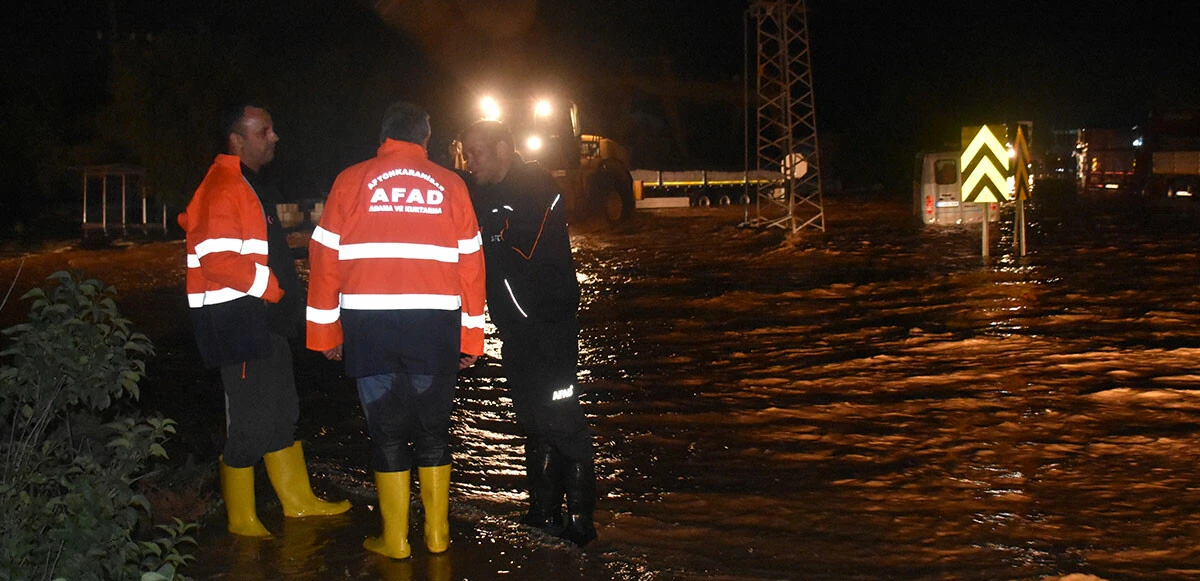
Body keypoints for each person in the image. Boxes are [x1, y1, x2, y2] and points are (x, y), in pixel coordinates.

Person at [306, 101, 486, 559]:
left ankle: (396, 540)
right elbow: (472, 266)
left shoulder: (352, 180)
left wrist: (326, 333)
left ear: (383, 137)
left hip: (371, 327)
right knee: (434, 433)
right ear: (425, 138)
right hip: (435, 327)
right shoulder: (451, 184)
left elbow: (324, 260)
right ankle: (438, 535)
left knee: (386, 435)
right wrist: (470, 337)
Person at [179, 104, 351, 537]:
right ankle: (241, 521)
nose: (274, 137)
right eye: (265, 131)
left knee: (282, 412)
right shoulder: (222, 186)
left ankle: (298, 502)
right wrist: (271, 287)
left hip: (266, 324)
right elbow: (215, 260)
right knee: (250, 423)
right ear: (238, 140)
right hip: (238, 325)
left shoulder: (248, 184)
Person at [457, 120, 598, 547]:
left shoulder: (537, 185)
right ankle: (542, 515)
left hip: (550, 330)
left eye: (476, 152)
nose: (470, 161)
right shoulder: (484, 193)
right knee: (533, 423)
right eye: (465, 153)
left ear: (503, 148)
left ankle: (582, 527)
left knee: (564, 421)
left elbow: (521, 242)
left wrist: (481, 230)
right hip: (517, 332)